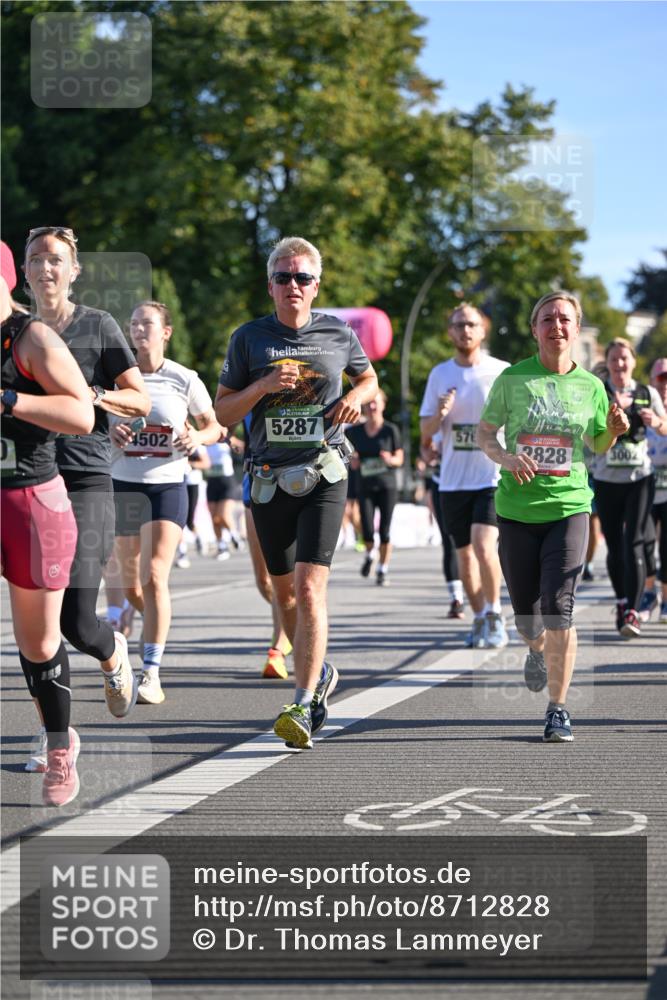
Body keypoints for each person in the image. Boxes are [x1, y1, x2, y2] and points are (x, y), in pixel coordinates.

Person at [215, 236, 378, 749]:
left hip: (325, 472)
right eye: (283, 277)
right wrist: (262, 386)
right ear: (271, 285)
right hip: (267, 479)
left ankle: (304, 703)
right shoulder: (248, 339)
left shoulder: (337, 332)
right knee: (280, 592)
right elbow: (222, 413)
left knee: (310, 589)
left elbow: (370, 378)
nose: (293, 285)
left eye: (302, 277)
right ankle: (320, 667)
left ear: (316, 285)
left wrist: (355, 395)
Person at [478, 291, 630, 743]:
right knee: (527, 614)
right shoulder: (512, 379)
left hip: (570, 507)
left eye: (565, 318)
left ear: (577, 329)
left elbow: (598, 443)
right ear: (535, 329)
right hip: (517, 510)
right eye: (548, 319)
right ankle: (534, 648)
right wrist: (504, 457)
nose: (557, 326)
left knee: (558, 606)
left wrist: (615, 432)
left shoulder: (591, 386)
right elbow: (486, 434)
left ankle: (558, 709)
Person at [22, 226, 150, 747]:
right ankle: (57, 740)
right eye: (35, 259)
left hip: (84, 479)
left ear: (73, 271)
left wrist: (94, 398)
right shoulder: (16, 331)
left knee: (76, 621)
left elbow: (138, 399)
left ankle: (112, 649)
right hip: (27, 479)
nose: (45, 268)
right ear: (23, 272)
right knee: (38, 628)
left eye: (56, 260)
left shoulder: (97, 325)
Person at [1, 240, 94, 805]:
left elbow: (82, 413)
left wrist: (10, 400)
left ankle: (60, 745)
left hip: (30, 501)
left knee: (37, 641)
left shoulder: (31, 338)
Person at [110, 301, 221, 704]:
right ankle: (142, 625)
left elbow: (214, 426)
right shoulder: (118, 378)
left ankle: (150, 672)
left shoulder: (184, 378)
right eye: (134, 323)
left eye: (148, 323)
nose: (139, 330)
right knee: (131, 584)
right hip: (123, 485)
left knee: (155, 575)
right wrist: (112, 436)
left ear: (165, 332)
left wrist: (197, 439)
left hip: (168, 485)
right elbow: (89, 424)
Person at [420, 303, 510, 648]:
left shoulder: (502, 371)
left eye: (471, 324)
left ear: (483, 330)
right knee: (464, 556)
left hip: (491, 477)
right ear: (450, 332)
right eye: (458, 325)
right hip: (452, 480)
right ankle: (480, 618)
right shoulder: (440, 374)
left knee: (485, 546)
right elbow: (426, 432)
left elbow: (520, 420)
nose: (465, 331)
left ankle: (496, 614)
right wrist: (439, 414)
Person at [590, 338, 667, 637]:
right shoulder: (598, 392)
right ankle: (622, 601)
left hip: (640, 479)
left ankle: (633, 612)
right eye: (614, 359)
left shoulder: (646, 393)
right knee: (614, 545)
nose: (620, 364)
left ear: (633, 362)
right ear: (607, 363)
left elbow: (665, 426)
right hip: (607, 479)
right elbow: (588, 430)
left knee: (634, 541)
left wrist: (656, 422)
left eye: (625, 359)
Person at [346, 389, 403, 586]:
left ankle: (382, 569)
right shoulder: (354, 432)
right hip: (364, 486)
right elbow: (345, 454)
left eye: (375, 403)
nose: (372, 407)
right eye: (368, 404)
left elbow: (399, 458)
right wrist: (352, 459)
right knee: (368, 530)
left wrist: (390, 460)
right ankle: (371, 554)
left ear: (383, 405)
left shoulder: (390, 430)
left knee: (385, 530)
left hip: (387, 485)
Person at [421, 436, 465, 617]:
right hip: (444, 485)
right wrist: (429, 452)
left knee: (480, 546)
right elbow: (426, 453)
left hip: (481, 485)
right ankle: (457, 598)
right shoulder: (436, 410)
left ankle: (488, 604)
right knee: (450, 542)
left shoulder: (485, 407)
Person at [640, 358, 667, 622]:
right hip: (645, 486)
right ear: (652, 382)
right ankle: (649, 591)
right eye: (660, 379)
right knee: (645, 543)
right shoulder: (642, 409)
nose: (665, 385)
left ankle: (666, 597)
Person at [205, 431, 243, 560]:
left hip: (227, 481)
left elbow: (242, 446)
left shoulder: (224, 436)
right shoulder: (204, 438)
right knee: (214, 518)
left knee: (223, 515)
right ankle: (222, 547)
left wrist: (235, 446)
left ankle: (234, 535)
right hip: (212, 481)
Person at [175, 449, 210, 568]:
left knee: (189, 521)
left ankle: (199, 538)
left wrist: (190, 464)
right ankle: (182, 553)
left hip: (192, 483)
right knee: (178, 520)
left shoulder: (198, 444)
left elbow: (206, 463)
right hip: (176, 483)